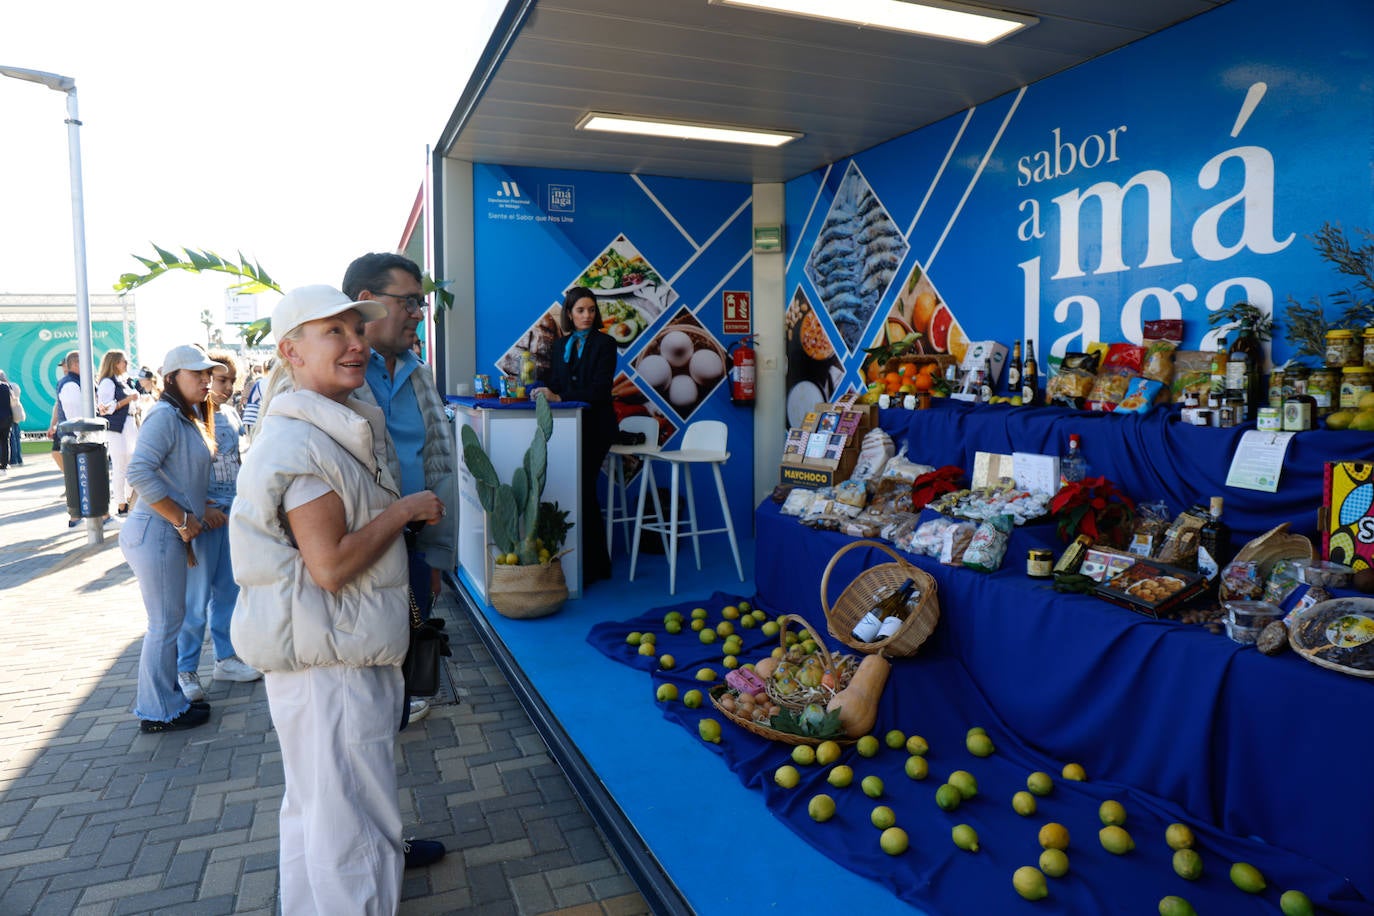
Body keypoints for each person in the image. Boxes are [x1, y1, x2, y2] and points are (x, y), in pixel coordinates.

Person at [229, 285, 445, 912]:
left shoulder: (315, 426)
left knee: (317, 810)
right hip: (336, 665)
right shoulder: (303, 442)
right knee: (356, 824)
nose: (355, 344)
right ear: (290, 351)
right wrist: (404, 511)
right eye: (335, 332)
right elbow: (331, 565)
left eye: (357, 330)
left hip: (326, 654)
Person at [342, 252, 457, 725]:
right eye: (408, 301)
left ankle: (404, 704)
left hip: (410, 547)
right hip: (352, 556)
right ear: (367, 302)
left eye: (419, 303)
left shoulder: (419, 374)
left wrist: (433, 556)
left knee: (409, 645)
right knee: (361, 669)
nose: (417, 313)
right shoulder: (334, 376)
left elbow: (439, 467)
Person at [120, 344, 224, 733]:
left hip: (163, 532)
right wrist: (182, 520)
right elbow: (139, 473)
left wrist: (198, 508)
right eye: (195, 373)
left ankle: (167, 702)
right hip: (157, 532)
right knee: (164, 624)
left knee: (169, 622)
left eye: (206, 373)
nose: (204, 379)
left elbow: (177, 477)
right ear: (171, 378)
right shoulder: (164, 415)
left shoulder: (185, 416)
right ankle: (157, 710)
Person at [176, 349, 261, 703]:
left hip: (232, 515)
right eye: (217, 379)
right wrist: (201, 507)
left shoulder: (230, 414)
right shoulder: (187, 417)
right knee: (195, 601)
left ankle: (226, 658)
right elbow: (176, 472)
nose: (223, 386)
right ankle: (185, 668)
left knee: (230, 591)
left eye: (229, 380)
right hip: (202, 520)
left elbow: (239, 460)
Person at [536, 285, 616, 583]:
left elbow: (599, 389)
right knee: (571, 489)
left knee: (583, 489)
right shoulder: (560, 345)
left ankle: (595, 568)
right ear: (569, 313)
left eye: (591, 310)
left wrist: (560, 396)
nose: (586, 315)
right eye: (580, 310)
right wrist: (542, 389)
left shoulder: (605, 344)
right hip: (569, 428)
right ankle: (572, 563)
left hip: (597, 426)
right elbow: (556, 381)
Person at [95, 350, 139, 514]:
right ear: (115, 363)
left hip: (128, 424)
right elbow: (104, 408)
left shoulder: (122, 381)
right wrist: (129, 400)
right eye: (124, 361)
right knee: (120, 466)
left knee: (129, 465)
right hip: (118, 428)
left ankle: (129, 500)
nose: (126, 364)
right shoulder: (108, 382)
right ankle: (122, 504)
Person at [0, 369, 14, 475]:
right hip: (7, 417)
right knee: (5, 441)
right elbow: (14, 400)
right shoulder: (6, 387)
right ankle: (4, 464)